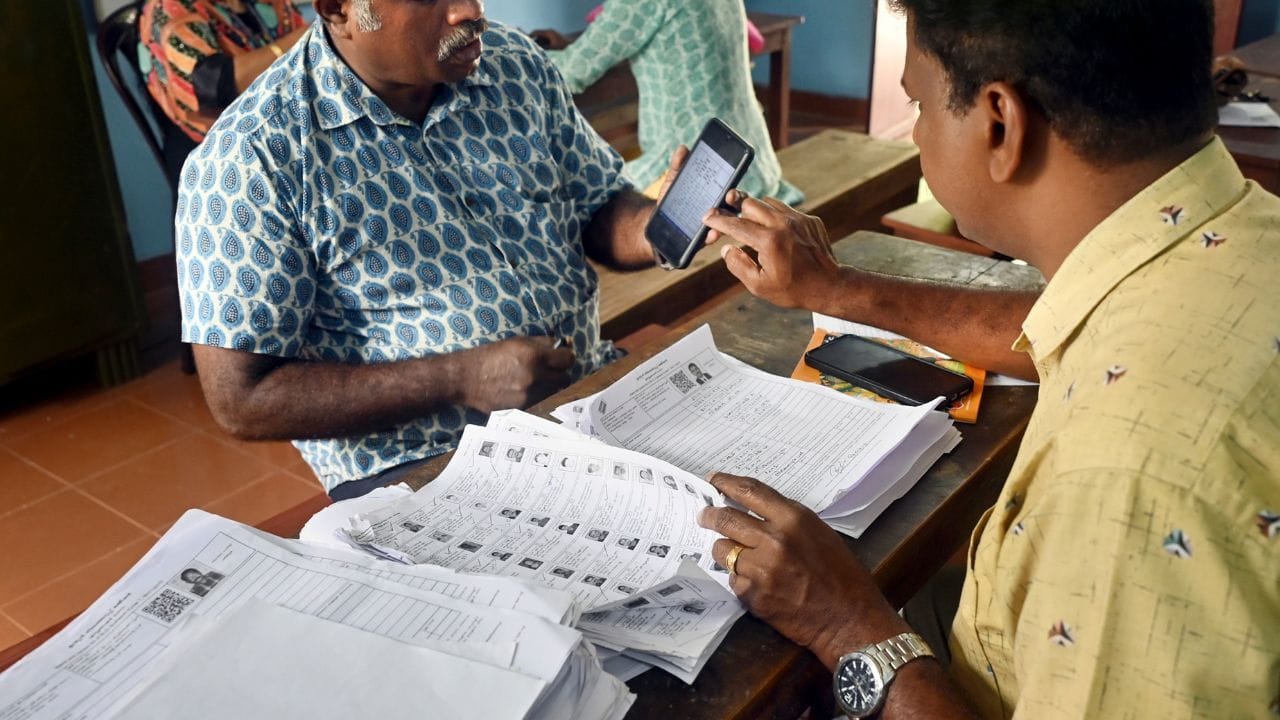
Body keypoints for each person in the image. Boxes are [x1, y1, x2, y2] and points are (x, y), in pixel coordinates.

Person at [695, 0, 1280, 717]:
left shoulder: (1129, 481)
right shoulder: (1241, 233)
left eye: (919, 104)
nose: (916, 130)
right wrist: (836, 289)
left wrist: (844, 624)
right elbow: (1067, 324)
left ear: (1000, 123)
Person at [177, 0, 686, 501]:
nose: (470, 12)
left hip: (587, 397)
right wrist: (456, 378)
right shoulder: (252, 157)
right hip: (426, 465)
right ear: (338, 10)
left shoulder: (513, 63)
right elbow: (241, 400)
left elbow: (595, 203)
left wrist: (654, 228)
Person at [531, 0, 803, 205]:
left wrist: (516, 48)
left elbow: (569, 73)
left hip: (694, 173)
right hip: (754, 167)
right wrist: (573, 45)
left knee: (581, 208)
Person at [138, 0, 308, 180]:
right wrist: (297, 42)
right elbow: (215, 87)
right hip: (221, 162)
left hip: (281, 136)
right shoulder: (169, 8)